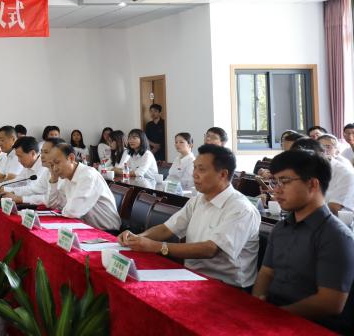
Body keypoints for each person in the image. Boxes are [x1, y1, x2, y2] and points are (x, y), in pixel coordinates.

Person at [119, 144, 260, 289]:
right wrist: (137, 238)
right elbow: (167, 229)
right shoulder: (198, 199)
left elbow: (210, 249)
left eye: (201, 169)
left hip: (228, 286)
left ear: (223, 174)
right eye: (194, 168)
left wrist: (157, 247)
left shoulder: (241, 209)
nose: (194, 174)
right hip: (193, 276)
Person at [253, 149, 354, 333]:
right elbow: (266, 273)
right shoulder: (280, 228)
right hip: (272, 316)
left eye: (285, 181)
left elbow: (330, 302)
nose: (276, 189)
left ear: (312, 184)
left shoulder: (337, 236)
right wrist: (257, 304)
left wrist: (274, 316)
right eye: (275, 181)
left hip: (311, 326)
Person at [46, 142, 121, 231]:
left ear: (71, 158)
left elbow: (72, 212)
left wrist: (64, 209)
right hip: (86, 227)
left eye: (57, 162)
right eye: (52, 165)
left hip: (108, 232)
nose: (54, 169)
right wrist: (53, 178)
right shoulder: (66, 177)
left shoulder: (88, 175)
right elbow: (52, 204)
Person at [305, 135, 354, 214]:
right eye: (320, 147)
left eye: (328, 147)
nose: (324, 150)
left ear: (337, 150)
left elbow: (334, 208)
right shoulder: (308, 169)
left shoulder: (345, 172)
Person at [5, 137, 50, 204]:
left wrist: (15, 195)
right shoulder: (28, 165)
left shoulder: (44, 167)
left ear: (33, 153)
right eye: (42, 152)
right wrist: (0, 187)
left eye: (46, 152)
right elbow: (17, 181)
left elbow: (33, 189)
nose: (18, 160)